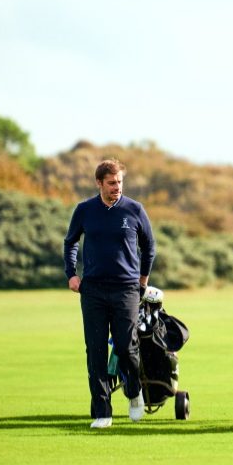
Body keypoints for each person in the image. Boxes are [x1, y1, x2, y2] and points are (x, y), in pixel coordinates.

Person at [63, 159, 156, 429]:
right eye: (112, 183)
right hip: (92, 290)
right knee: (95, 352)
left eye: (120, 183)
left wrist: (143, 279)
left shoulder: (134, 209)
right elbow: (70, 242)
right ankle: (102, 412)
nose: (117, 188)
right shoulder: (84, 210)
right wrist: (71, 273)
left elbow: (149, 246)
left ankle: (134, 391)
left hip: (126, 288)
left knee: (126, 348)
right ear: (99, 183)